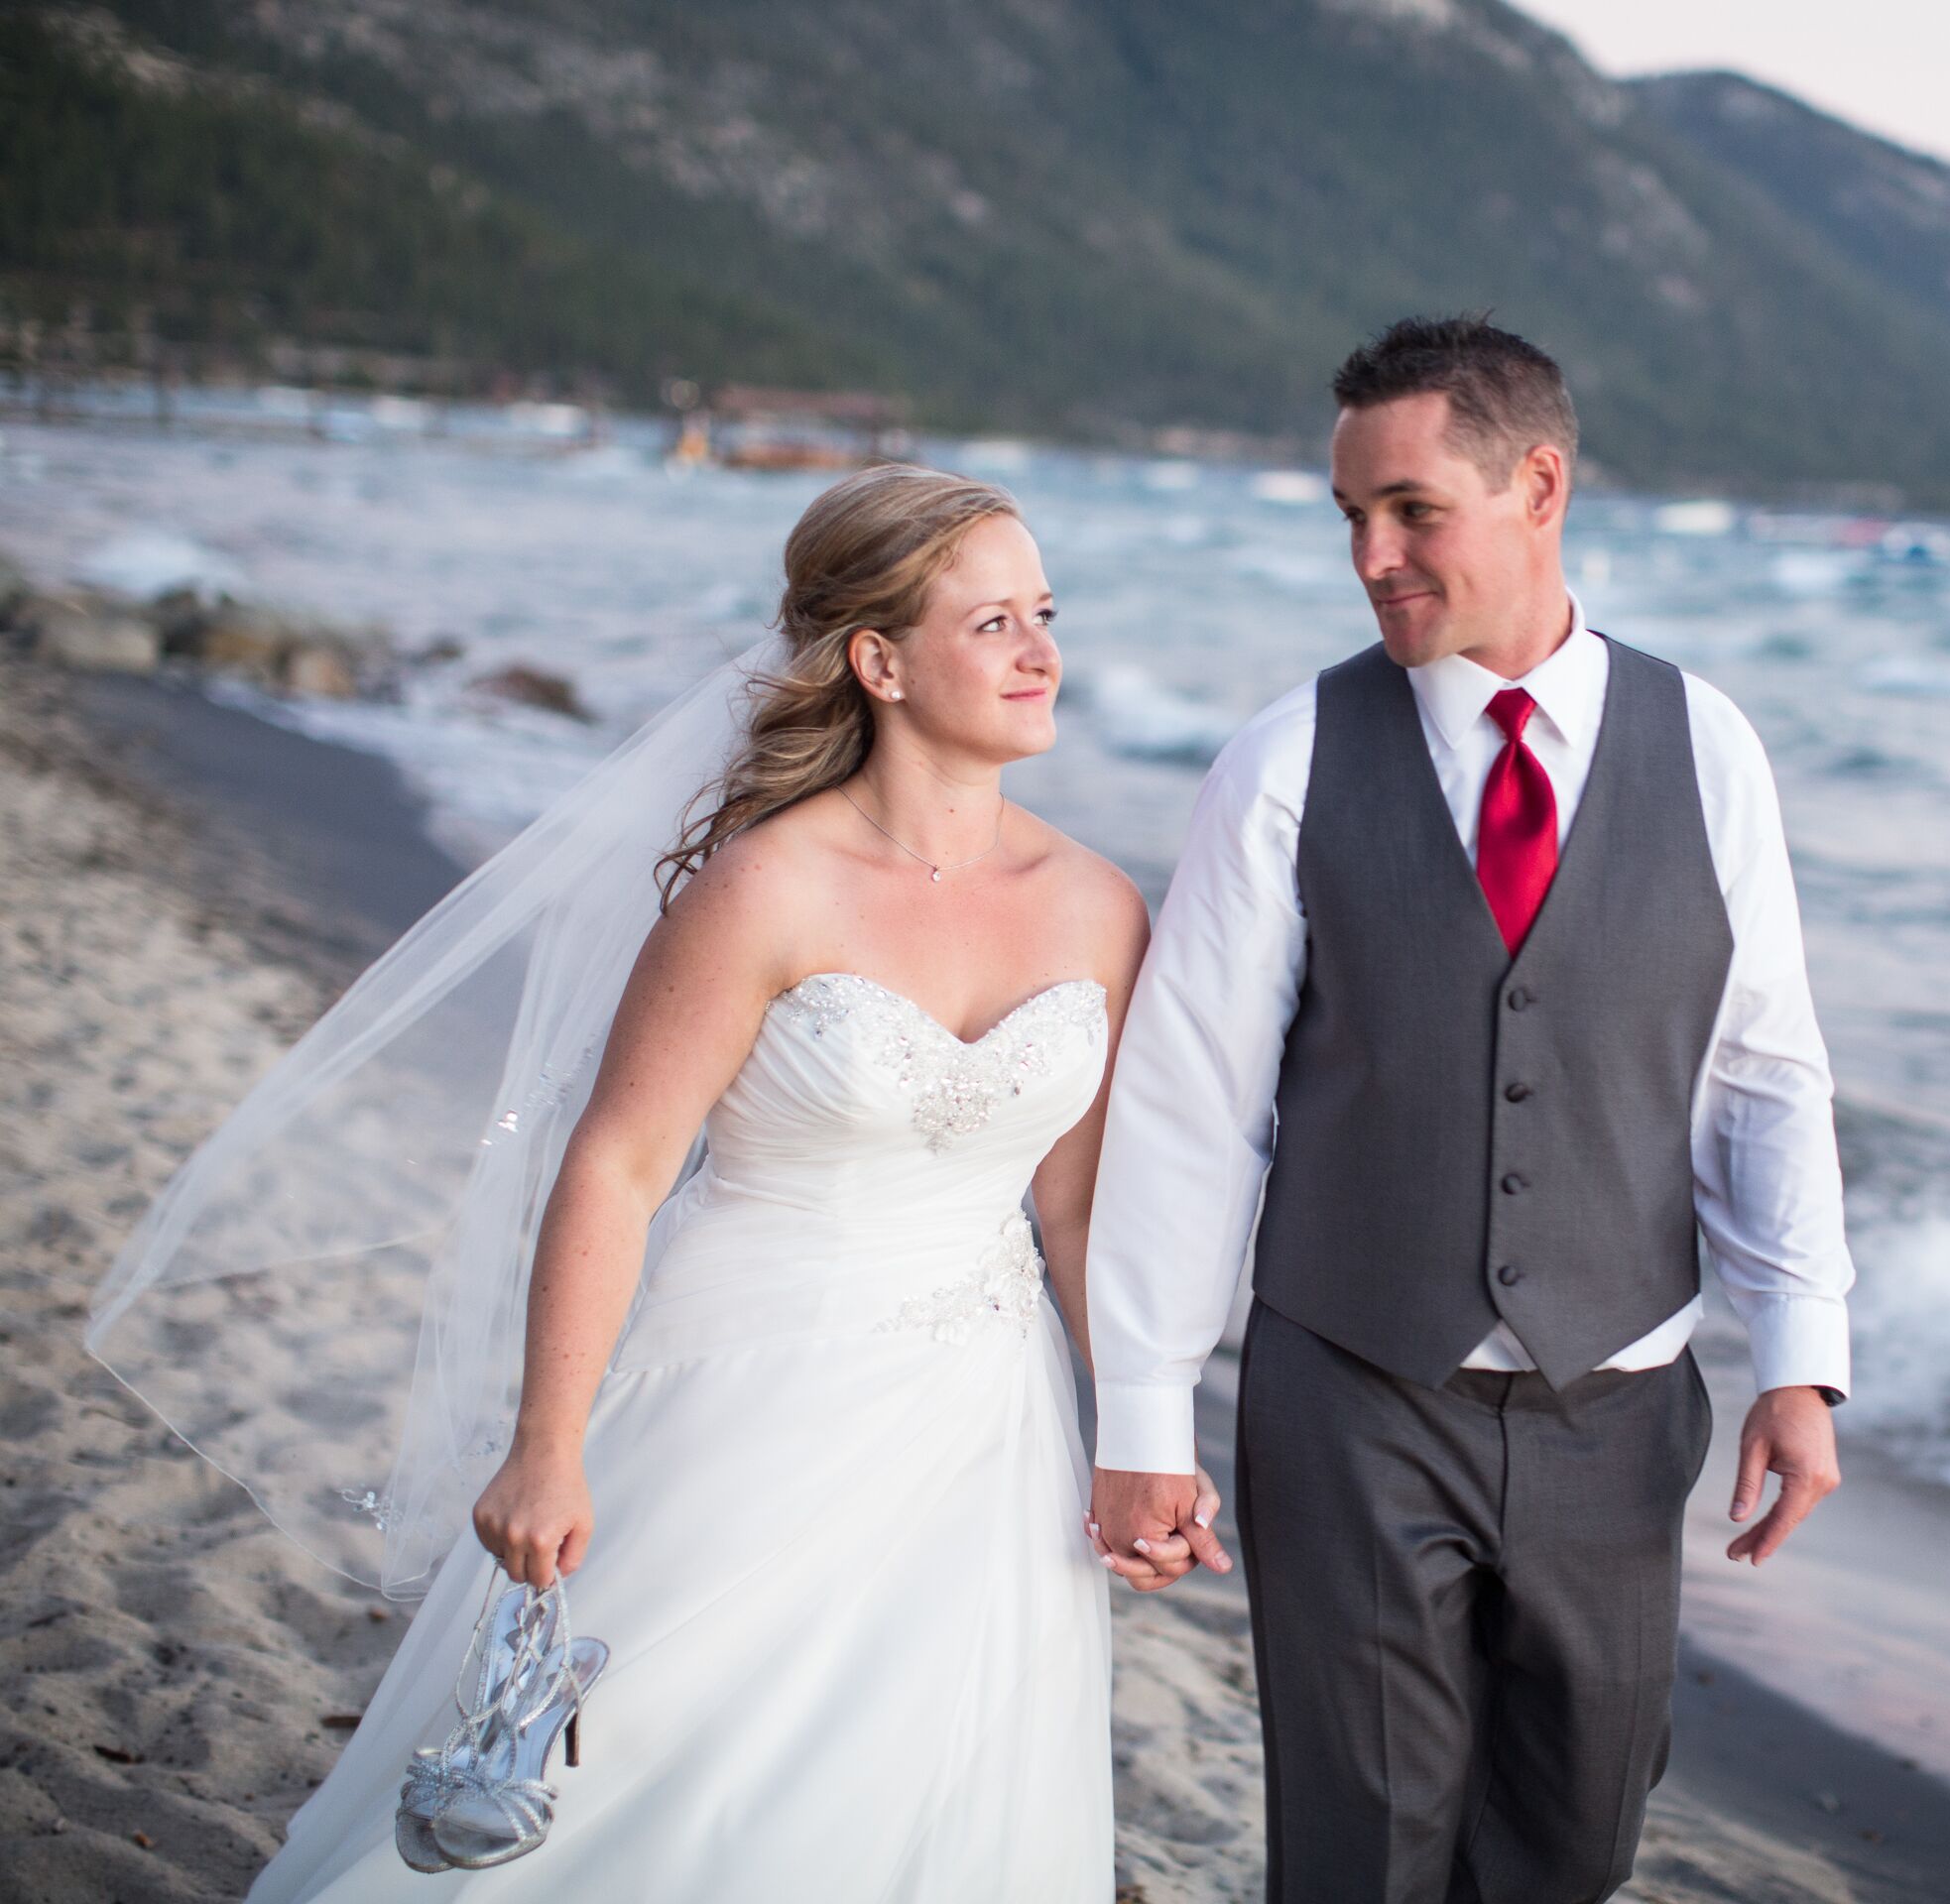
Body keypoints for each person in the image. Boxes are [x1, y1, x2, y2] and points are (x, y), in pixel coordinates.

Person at [96, 464, 1186, 1896]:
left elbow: (1075, 1208)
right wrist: (548, 1443)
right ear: (880, 661)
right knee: (647, 1758)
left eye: (1045, 612)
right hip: (746, 1384)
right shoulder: (766, 888)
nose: (1046, 652)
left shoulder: (1102, 907)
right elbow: (615, 1164)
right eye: (993, 624)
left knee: (917, 1778)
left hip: (987, 1423)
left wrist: (1139, 1436)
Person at [1085, 314, 1857, 1902]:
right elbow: (1190, 1109)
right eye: (1351, 517)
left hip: (1618, 1409)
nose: (1371, 555)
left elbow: (1762, 1071)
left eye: (1412, 509)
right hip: (1354, 1396)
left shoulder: (1708, 747)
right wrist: (1148, 1413)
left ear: (1540, 484)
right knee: (1359, 1857)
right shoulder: (1287, 757)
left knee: (1569, 1847)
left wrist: (1803, 1359)